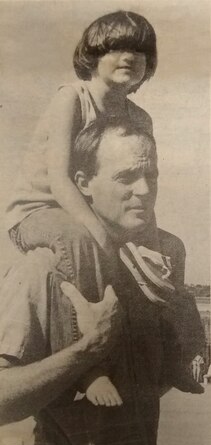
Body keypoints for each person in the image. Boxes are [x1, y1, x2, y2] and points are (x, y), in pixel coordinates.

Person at [0, 119, 204, 445]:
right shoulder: (43, 268)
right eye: (126, 177)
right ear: (83, 185)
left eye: (151, 174)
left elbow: (146, 384)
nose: (144, 190)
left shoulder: (149, 268)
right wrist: (86, 352)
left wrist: (185, 355)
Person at [6, 10, 157, 408]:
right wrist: (105, 237)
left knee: (162, 249)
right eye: (116, 47)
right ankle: (89, 365)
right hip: (38, 211)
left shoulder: (139, 117)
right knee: (80, 238)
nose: (129, 56)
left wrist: (145, 240)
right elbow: (60, 181)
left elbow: (144, 180)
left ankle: (171, 353)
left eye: (140, 49)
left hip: (92, 215)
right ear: (92, 55)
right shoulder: (72, 98)